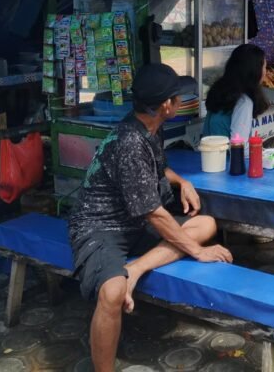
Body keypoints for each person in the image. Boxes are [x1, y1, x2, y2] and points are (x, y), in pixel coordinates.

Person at [69, 63, 233, 372]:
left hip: (135, 223)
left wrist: (181, 182)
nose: (180, 101)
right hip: (100, 227)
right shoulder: (130, 142)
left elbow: (157, 170)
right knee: (113, 292)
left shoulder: (148, 128)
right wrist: (197, 251)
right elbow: (153, 213)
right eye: (176, 97)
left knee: (207, 223)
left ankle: (136, 267)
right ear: (166, 106)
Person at [202, 43, 270, 140]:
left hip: (208, 153)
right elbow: (238, 144)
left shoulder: (219, 91)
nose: (265, 72)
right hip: (225, 154)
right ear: (254, 72)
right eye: (264, 67)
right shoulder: (243, 102)